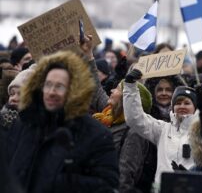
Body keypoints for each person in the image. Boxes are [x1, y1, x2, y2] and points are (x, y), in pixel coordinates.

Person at [6, 51, 118, 193]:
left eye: (59, 86)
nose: (51, 92)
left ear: (74, 90)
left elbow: (107, 184)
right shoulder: (25, 123)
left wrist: (61, 181)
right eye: (48, 85)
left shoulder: (95, 134)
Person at [122, 69, 202, 186]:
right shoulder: (162, 129)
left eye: (187, 103)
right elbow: (135, 118)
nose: (181, 106)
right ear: (172, 107)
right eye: (178, 103)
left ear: (195, 107)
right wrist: (130, 87)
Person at [0, 64, 36, 129]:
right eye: (12, 94)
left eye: (21, 94)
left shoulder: (35, 127)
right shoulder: (2, 118)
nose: (13, 98)